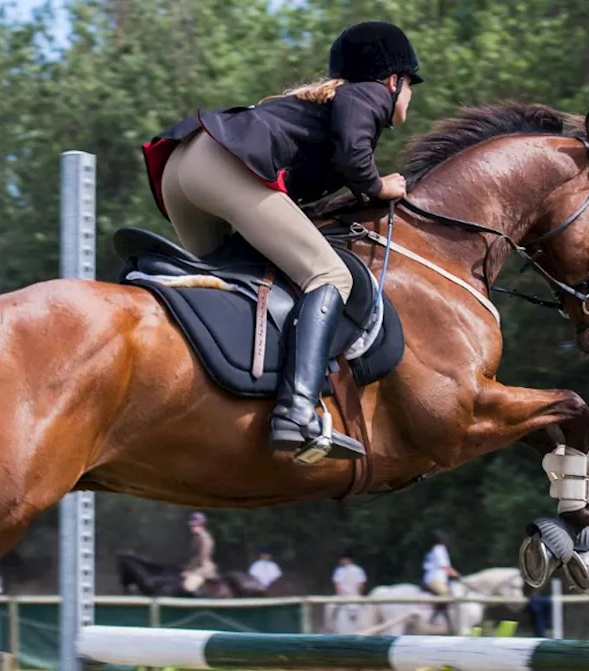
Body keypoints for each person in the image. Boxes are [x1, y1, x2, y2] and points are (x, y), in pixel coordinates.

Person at [141, 21, 423, 462]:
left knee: (231, 283)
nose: (410, 97)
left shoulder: (315, 105)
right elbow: (354, 156)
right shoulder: (366, 94)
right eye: (410, 86)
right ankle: (296, 410)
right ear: (393, 81)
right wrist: (378, 186)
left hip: (183, 169)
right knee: (330, 274)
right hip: (221, 167)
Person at [422, 531, 459, 632]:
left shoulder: (433, 549)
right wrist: (456, 574)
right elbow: (445, 566)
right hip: (435, 579)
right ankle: (435, 619)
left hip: (436, 578)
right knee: (446, 595)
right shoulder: (439, 549)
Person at [181, 512, 219, 595]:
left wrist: (190, 572)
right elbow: (193, 557)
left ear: (201, 525)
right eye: (191, 525)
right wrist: (187, 569)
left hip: (203, 569)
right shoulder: (196, 537)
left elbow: (201, 559)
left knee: (188, 586)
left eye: (194, 525)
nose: (191, 527)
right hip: (196, 567)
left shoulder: (205, 538)